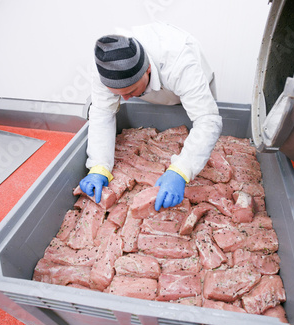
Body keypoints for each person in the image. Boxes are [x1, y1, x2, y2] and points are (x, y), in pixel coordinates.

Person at [79, 22, 222, 211]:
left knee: (200, 138)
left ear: (147, 70)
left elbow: (207, 119)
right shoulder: (105, 67)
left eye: (130, 91)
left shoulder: (179, 62)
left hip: (189, 87)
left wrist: (181, 170)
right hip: (151, 86)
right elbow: (102, 112)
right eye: (118, 93)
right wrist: (98, 165)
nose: (125, 99)